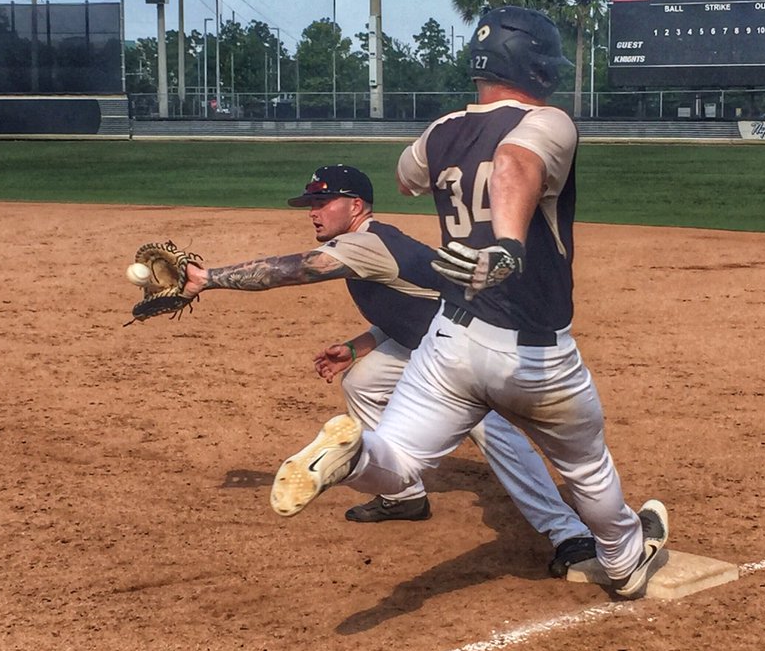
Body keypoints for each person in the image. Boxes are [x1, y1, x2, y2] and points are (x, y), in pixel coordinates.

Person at [270, 7, 668, 599]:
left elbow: (407, 176)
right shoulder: (549, 120)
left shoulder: (443, 130)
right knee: (586, 466)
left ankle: (354, 461)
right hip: (535, 355)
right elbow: (514, 161)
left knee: (398, 456)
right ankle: (623, 558)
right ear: (534, 62)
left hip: (452, 341)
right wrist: (506, 244)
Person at [183, 163, 599, 575]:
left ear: (356, 205)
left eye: (323, 202)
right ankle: (404, 497)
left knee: (496, 434)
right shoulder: (364, 243)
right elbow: (415, 307)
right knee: (362, 382)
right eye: (311, 203)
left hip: (478, 347)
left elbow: (291, 270)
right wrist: (356, 346)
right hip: (431, 342)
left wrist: (209, 278)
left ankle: (568, 533)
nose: (313, 211)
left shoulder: (365, 245)